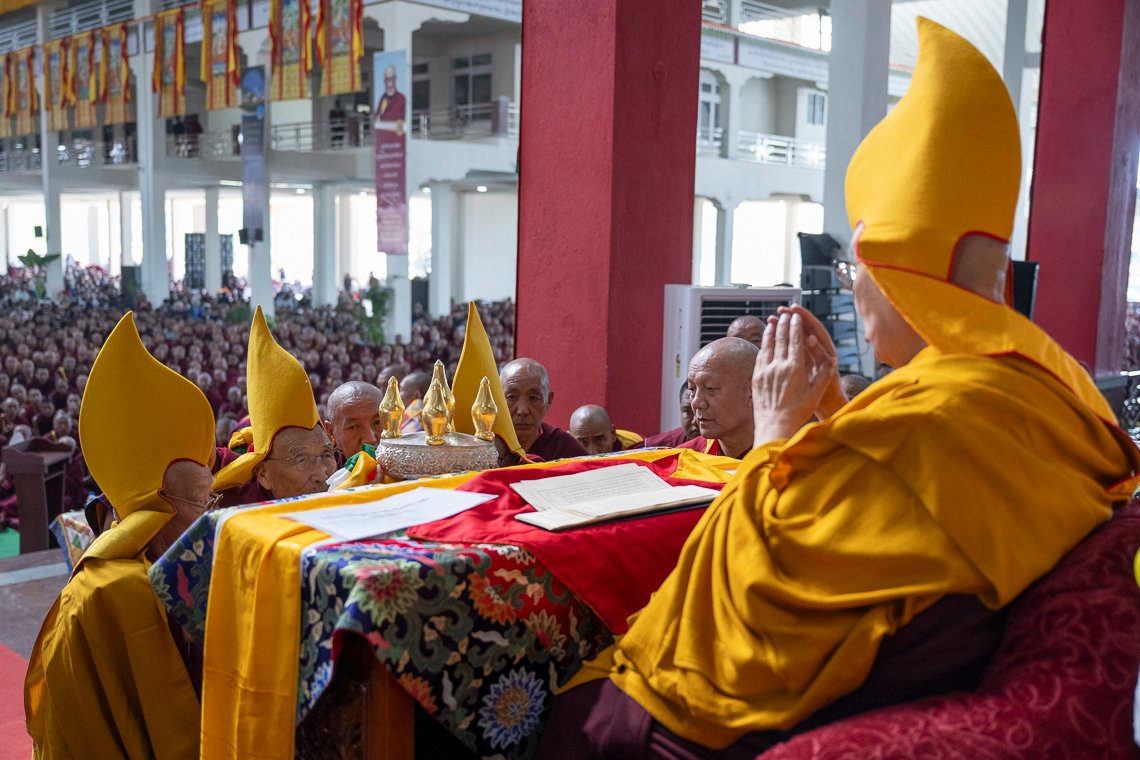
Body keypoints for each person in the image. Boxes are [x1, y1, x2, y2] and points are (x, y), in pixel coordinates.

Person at [537, 19, 1140, 757]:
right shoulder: (1047, 390)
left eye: (856, 275)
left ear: (887, 268)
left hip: (740, 718)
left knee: (550, 697)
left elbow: (754, 608)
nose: (855, 293)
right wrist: (837, 418)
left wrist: (776, 430)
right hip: (905, 674)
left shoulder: (936, 416)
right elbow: (906, 519)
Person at [24, 312, 216, 758]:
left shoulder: (162, 565)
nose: (208, 518)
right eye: (199, 501)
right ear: (156, 507)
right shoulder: (120, 590)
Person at [213, 307, 336, 505]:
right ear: (264, 474)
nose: (322, 475)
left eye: (327, 455)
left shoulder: (351, 477)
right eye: (301, 460)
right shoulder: (236, 509)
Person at [675, 337, 758, 459]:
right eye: (692, 389)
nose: (696, 402)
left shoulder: (788, 465)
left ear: (752, 391)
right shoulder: (685, 460)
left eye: (710, 388)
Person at [499, 358, 588, 461]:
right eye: (511, 397)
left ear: (548, 400)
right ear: (498, 399)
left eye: (533, 398)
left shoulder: (564, 447)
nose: (522, 411)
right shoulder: (487, 445)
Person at [324, 380, 383, 461]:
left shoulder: (404, 465)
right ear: (331, 432)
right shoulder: (324, 470)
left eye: (377, 422)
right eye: (353, 427)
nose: (370, 439)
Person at [568, 404, 642, 454]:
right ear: (569, 438)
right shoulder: (562, 450)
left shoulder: (636, 448)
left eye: (599, 439)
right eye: (583, 442)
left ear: (613, 434)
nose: (592, 452)